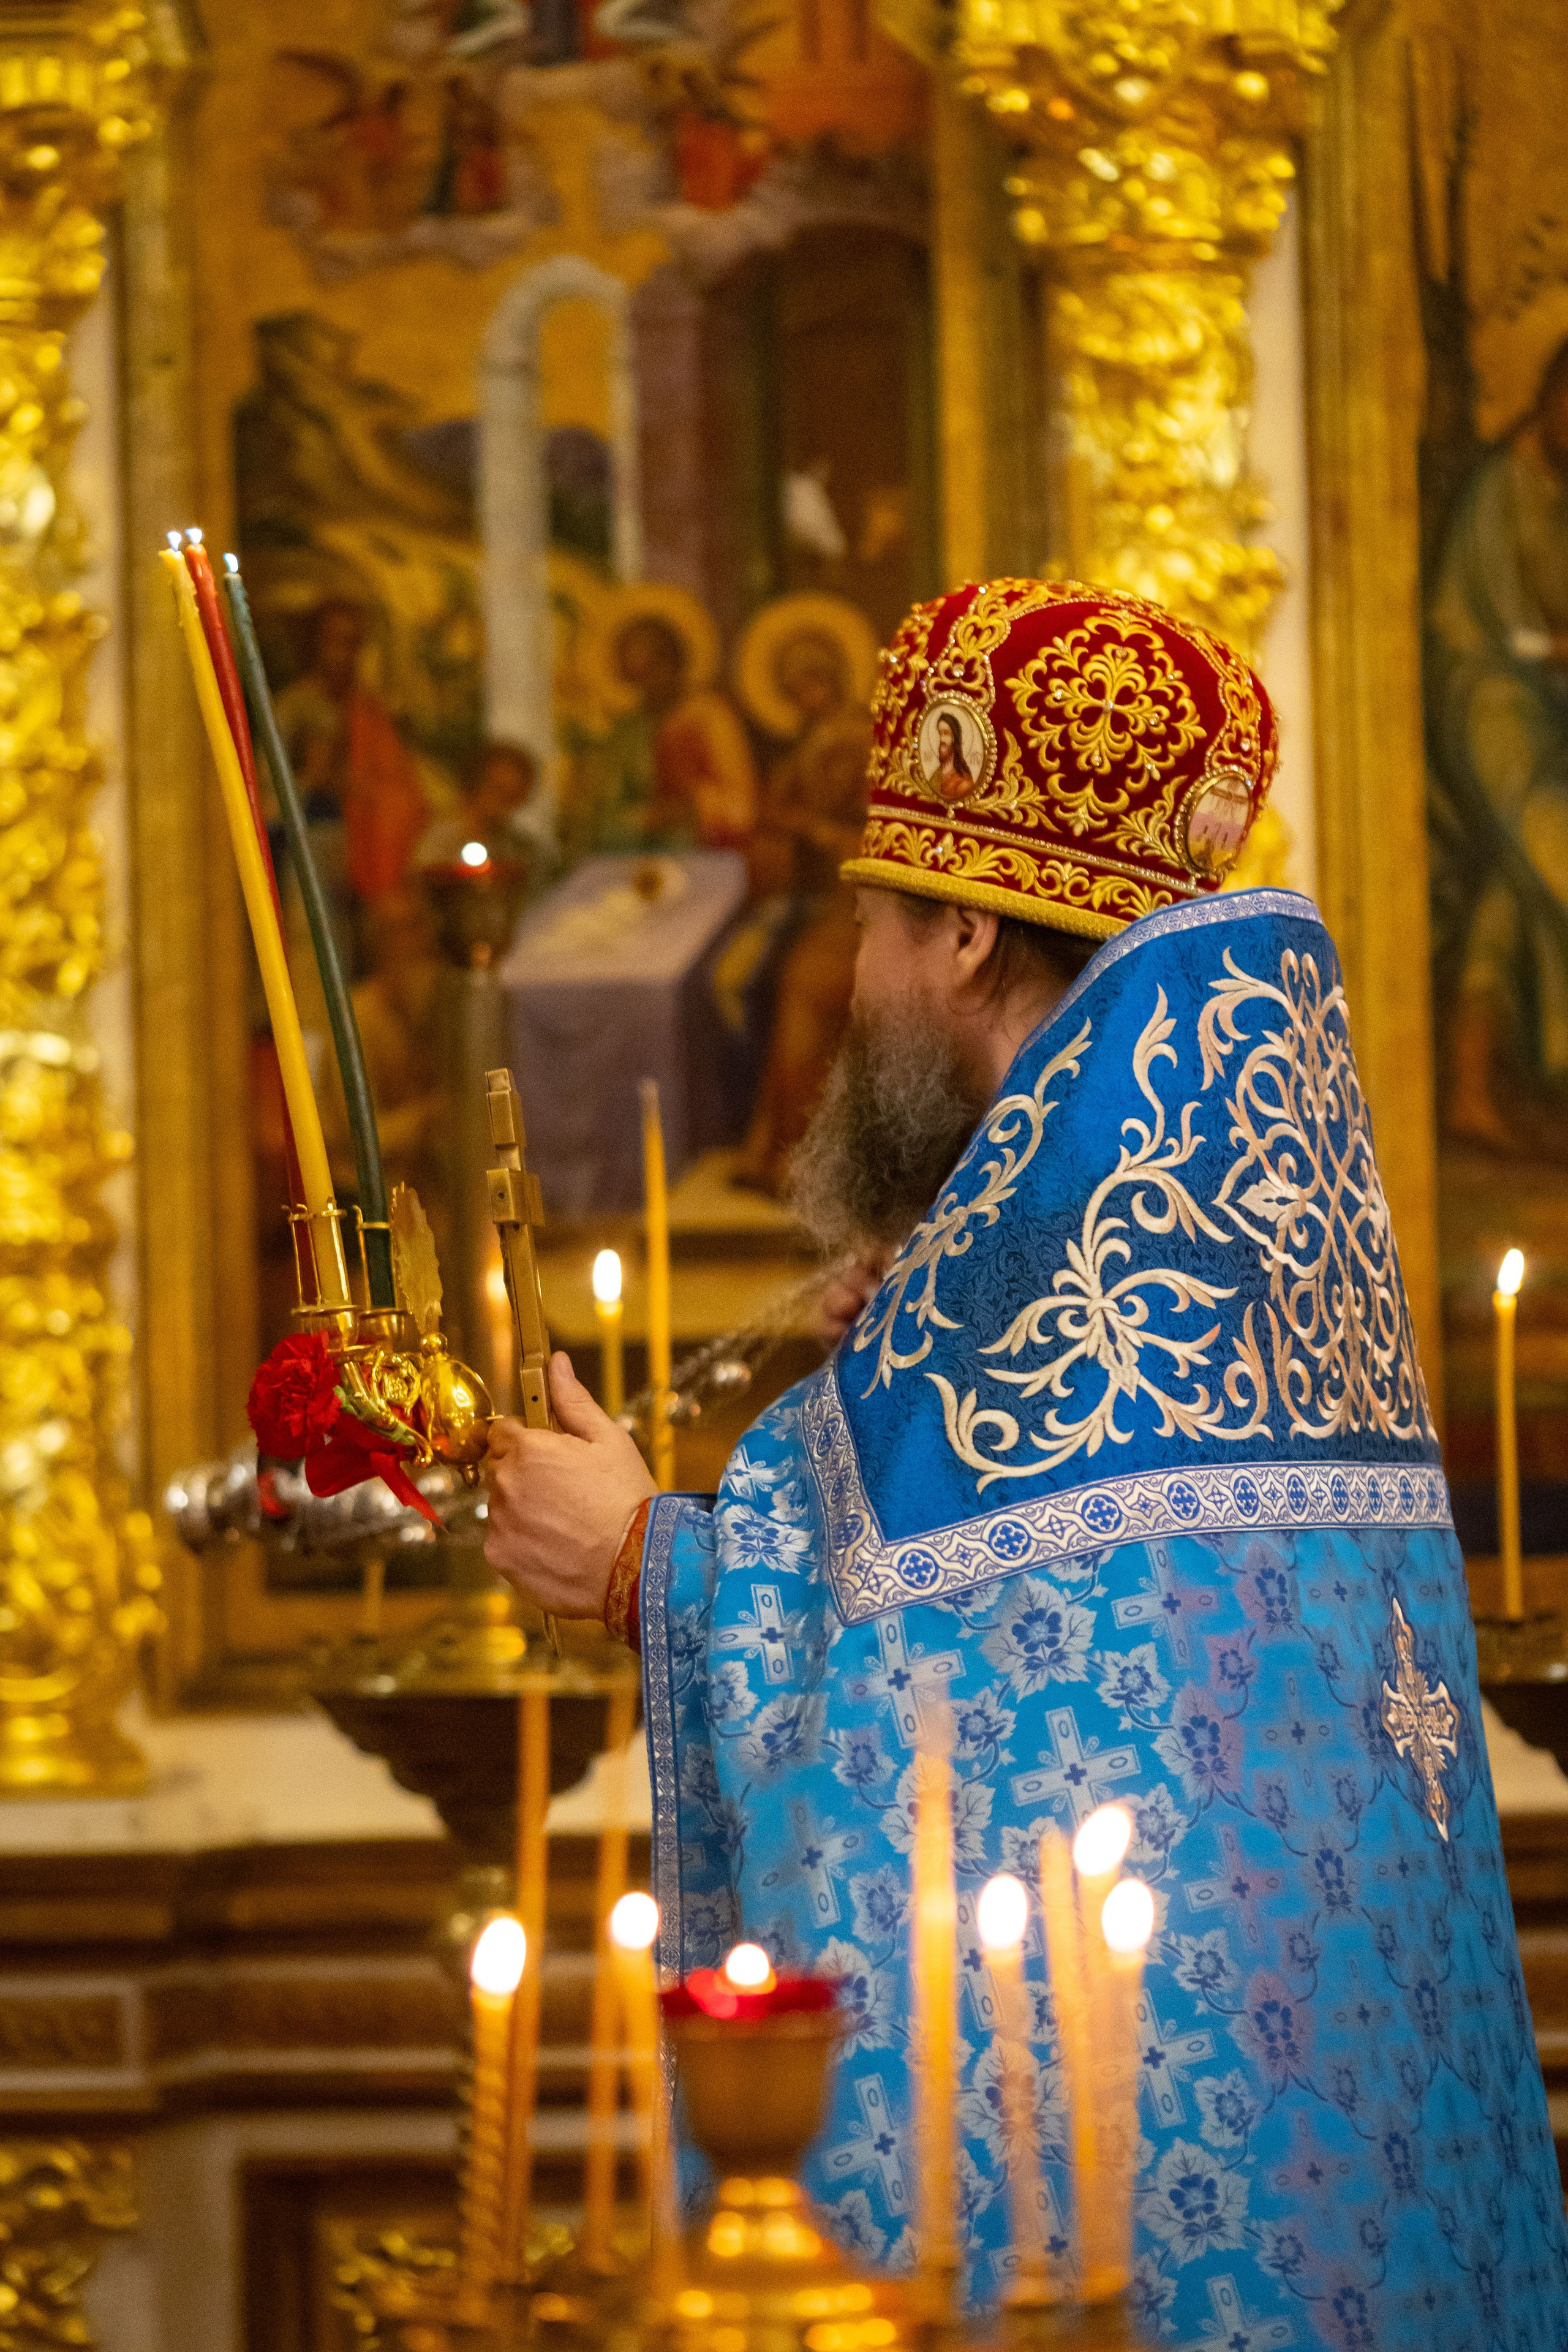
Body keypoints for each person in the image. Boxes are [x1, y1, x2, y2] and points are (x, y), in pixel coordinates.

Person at [483, 579, 1567, 2341]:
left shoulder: (1040, 1257)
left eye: (873, 923)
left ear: (967, 944)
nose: (858, 975)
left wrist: (636, 1561)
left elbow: (960, 1728)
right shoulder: (1239, 1212)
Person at [1428, 334, 1568, 1150]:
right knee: (1548, 839)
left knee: (1514, 888)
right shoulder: (1498, 489)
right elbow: (1479, 626)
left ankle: (1473, 1089)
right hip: (1482, 696)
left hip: (1549, 707)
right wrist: (1548, 653)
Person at [415, 737, 538, 869]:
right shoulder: (440, 839)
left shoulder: (517, 848)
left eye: (513, 795)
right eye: (497, 789)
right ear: (476, 783)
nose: (501, 801)